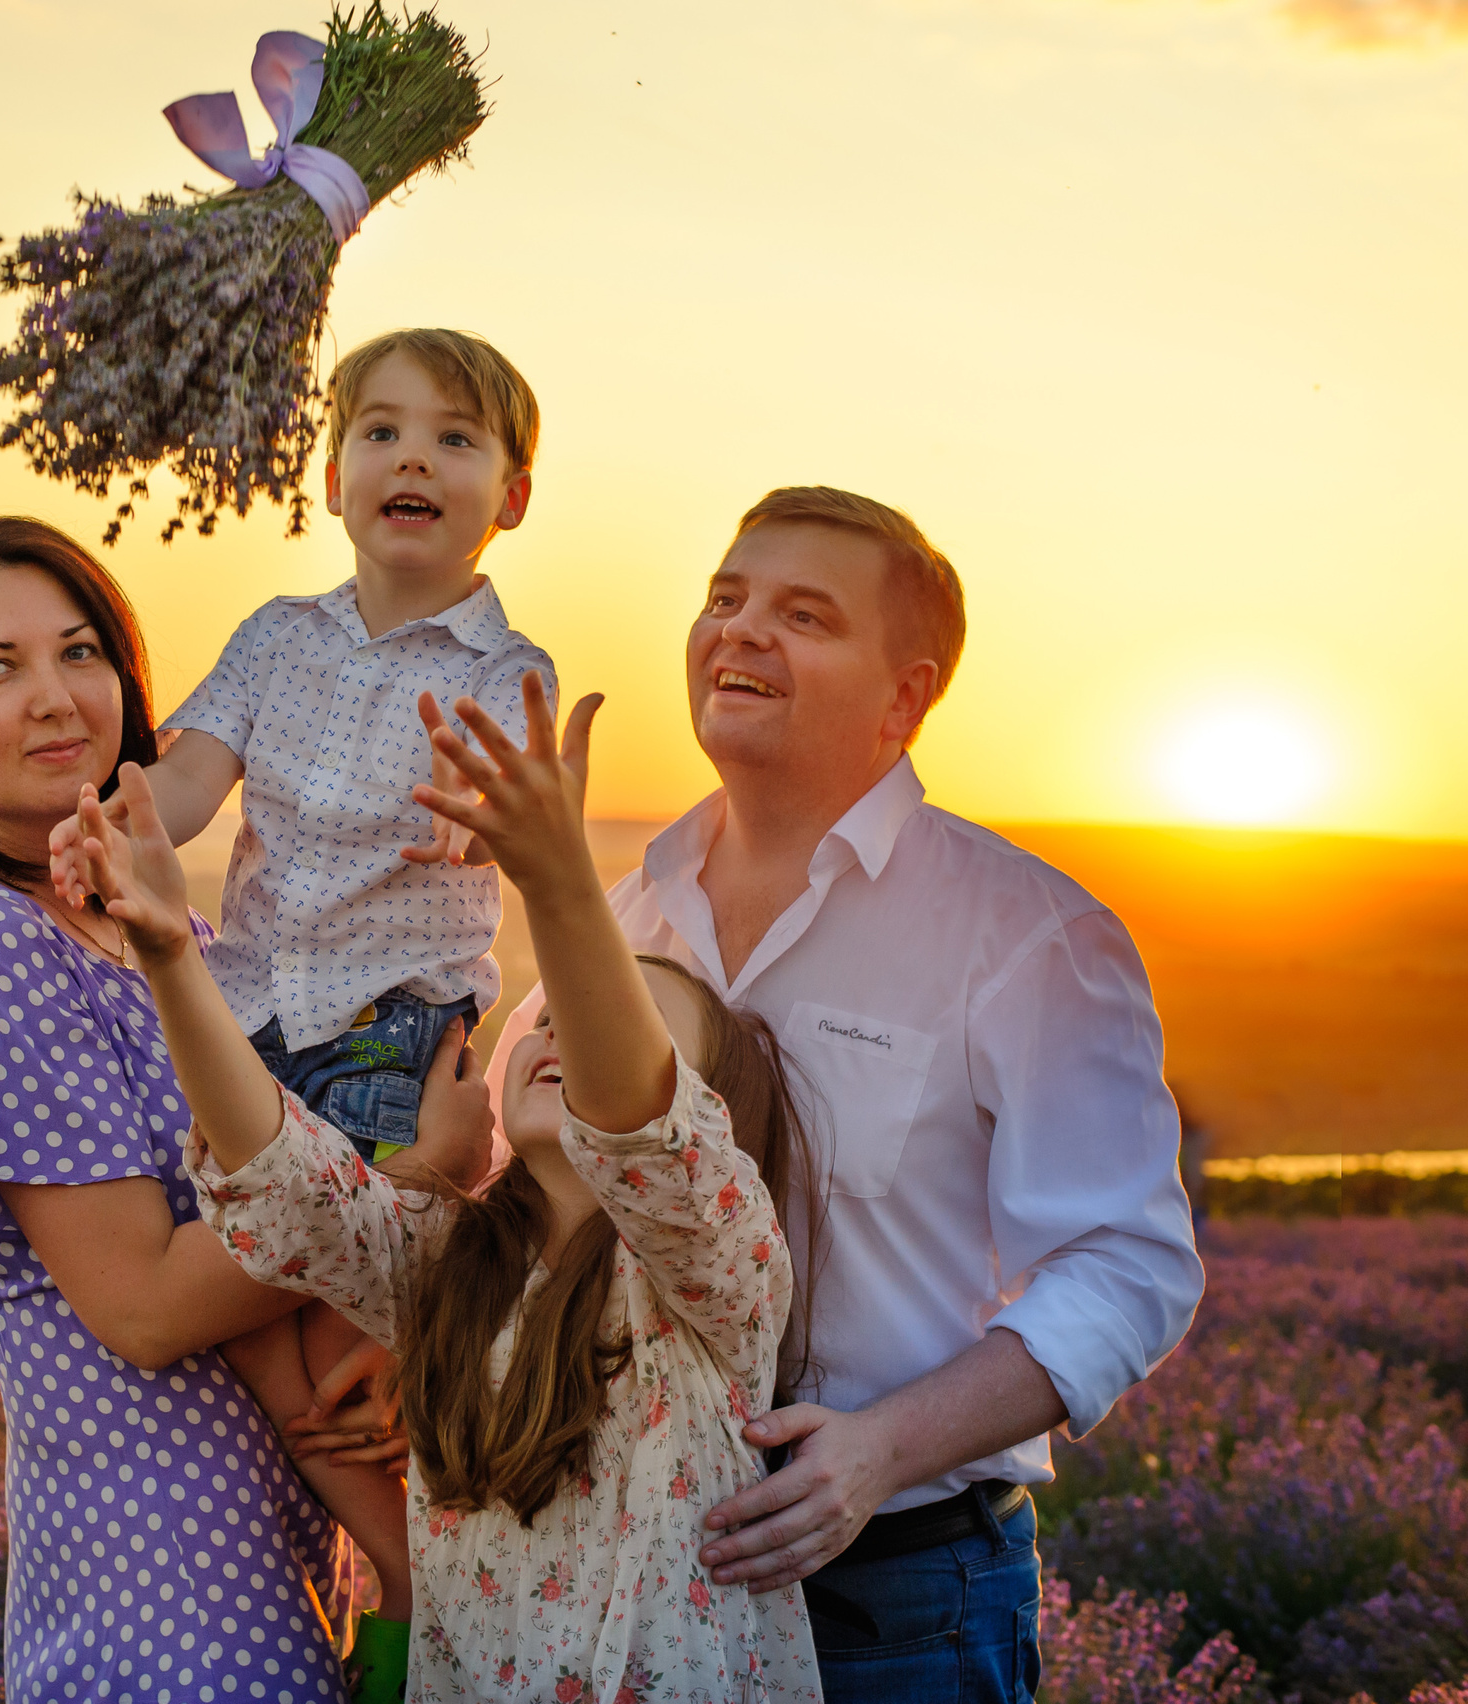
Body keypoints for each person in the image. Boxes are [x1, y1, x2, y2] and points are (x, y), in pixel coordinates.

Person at [487, 487, 1205, 1702]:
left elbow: (1127, 1268)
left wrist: (880, 1451)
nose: (741, 630)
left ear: (905, 697)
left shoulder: (1026, 933)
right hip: (615, 1574)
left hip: (896, 1601)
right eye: (725, 598)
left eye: (803, 615)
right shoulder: (624, 918)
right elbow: (519, 1182)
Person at [0, 515, 494, 1704]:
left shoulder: (150, 927)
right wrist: (414, 1182)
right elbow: (141, 1304)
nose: (55, 699)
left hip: (267, 1567)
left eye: (80, 654)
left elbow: (285, 1206)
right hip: (165, 1592)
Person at [66, 671, 826, 1702]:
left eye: (611, 1024)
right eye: (550, 1011)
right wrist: (169, 956)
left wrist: (557, 884)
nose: (559, 1028)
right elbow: (290, 1185)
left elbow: (643, 1132)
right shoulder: (447, 1263)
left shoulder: (714, 1289)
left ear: (715, 1122)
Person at [48, 329, 557, 1676]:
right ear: (334, 479)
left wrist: (485, 828)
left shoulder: (511, 674)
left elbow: (520, 828)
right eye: (383, 432)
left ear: (508, 495)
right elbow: (189, 783)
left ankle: (419, 1607)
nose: (414, 458)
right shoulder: (275, 644)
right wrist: (111, 829)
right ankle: (378, 1601)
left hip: (397, 1040)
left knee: (358, 1380)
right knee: (279, 1365)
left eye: (456, 439)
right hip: (253, 1031)